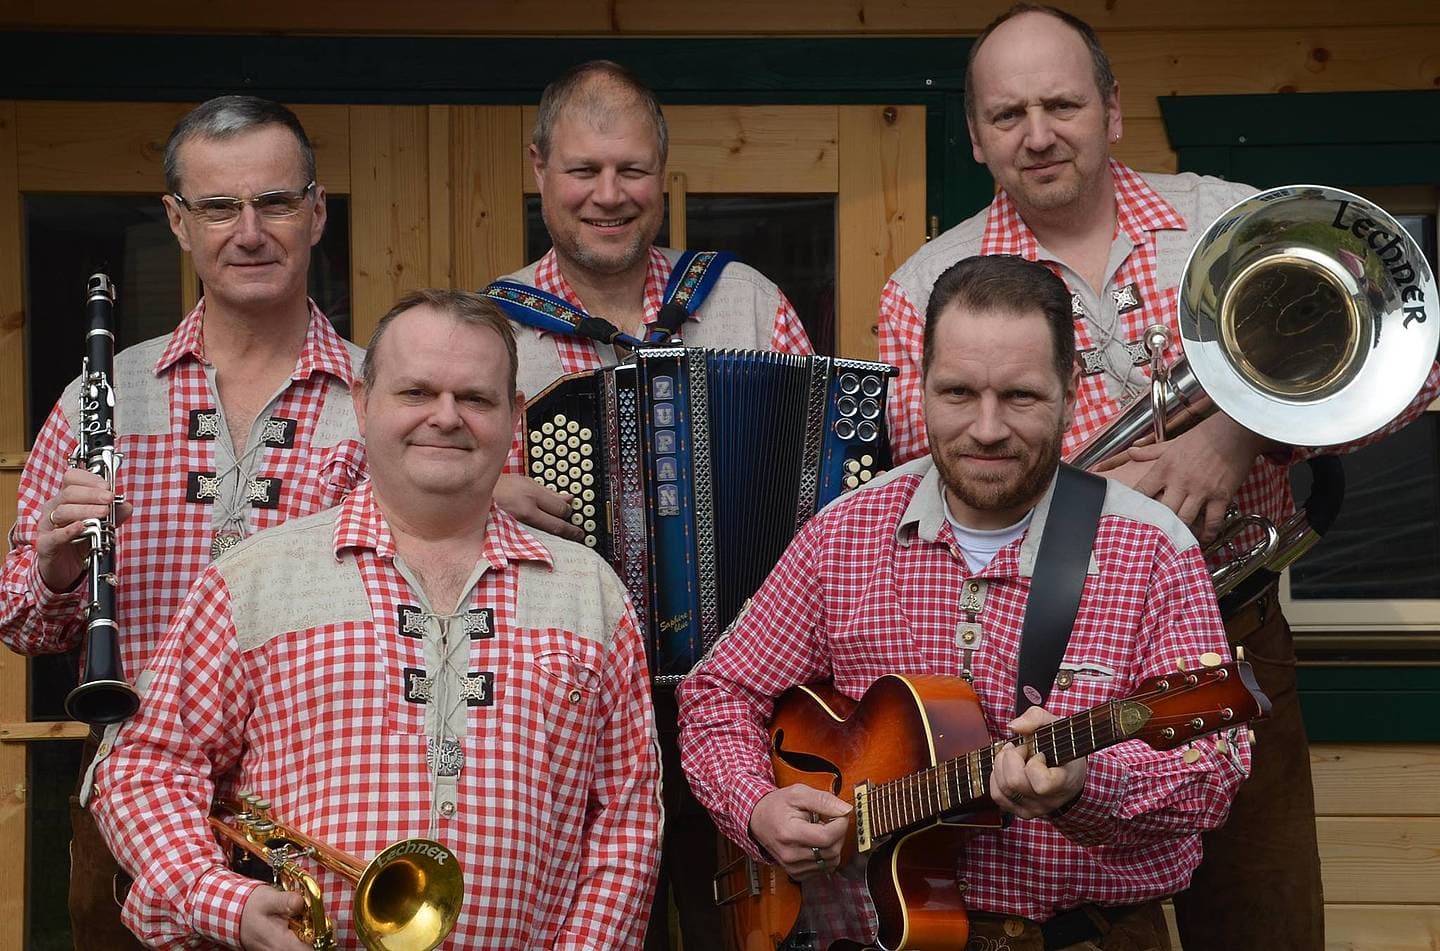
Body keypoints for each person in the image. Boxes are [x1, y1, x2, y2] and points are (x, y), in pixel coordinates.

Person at [877, 7, 1440, 947]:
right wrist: (1090, 509)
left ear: (1112, 108)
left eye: (1062, 103)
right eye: (1008, 114)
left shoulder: (1221, 219)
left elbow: (1407, 371)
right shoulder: (924, 285)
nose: (1039, 133)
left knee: (1268, 926)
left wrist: (1234, 437)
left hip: (1234, 646)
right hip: (1050, 691)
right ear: (975, 136)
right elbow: (927, 502)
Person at [678, 254, 1250, 951]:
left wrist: (1084, 782)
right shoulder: (844, 532)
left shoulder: (1153, 548)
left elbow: (1211, 770)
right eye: (957, 393)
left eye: (1019, 397)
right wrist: (757, 805)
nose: (986, 429)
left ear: (1072, 389)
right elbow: (717, 692)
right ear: (920, 388)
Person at [88, 290, 662, 949]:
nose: (445, 417)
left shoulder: (591, 594)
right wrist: (226, 901)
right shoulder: (253, 579)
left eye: (474, 398)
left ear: (515, 416)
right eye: (416, 392)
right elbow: (144, 766)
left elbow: (626, 820)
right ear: (362, 405)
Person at [0, 95, 365, 949]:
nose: (250, 230)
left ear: (315, 214)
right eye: (218, 206)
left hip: (323, 811)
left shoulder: (385, 395)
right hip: (131, 808)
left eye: (275, 202)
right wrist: (55, 564)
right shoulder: (107, 395)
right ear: (178, 221)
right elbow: (21, 618)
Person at [490, 60, 813, 951]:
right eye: (583, 170)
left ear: (662, 175)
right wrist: (488, 491)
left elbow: (820, 483)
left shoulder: (745, 305)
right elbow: (413, 496)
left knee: (744, 930)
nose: (608, 194)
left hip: (741, 698)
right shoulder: (491, 334)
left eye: (630, 169)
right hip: (564, 708)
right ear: (539, 169)